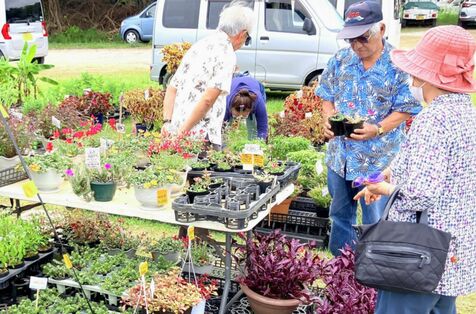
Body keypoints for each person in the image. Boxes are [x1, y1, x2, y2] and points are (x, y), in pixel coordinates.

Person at [354, 25, 476, 314]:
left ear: (424, 74)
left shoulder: (433, 119)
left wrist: (383, 189)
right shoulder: (466, 112)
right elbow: (446, 167)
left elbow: (419, 194)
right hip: (452, 250)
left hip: (417, 255)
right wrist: (389, 173)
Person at [315, 0, 421, 256]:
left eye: (362, 38)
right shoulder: (341, 59)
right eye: (350, 40)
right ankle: (340, 270)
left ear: (382, 29)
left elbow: (408, 107)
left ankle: (374, 273)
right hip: (340, 157)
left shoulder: (399, 66)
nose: (356, 46)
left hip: (379, 160)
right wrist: (328, 118)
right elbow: (325, 94)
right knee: (340, 215)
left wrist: (379, 128)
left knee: (377, 219)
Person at [161, 1, 255, 149]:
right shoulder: (226, 53)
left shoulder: (199, 45)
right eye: (247, 39)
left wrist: (167, 123)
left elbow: (172, 88)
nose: (244, 43)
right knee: (203, 172)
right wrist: (182, 134)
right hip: (200, 137)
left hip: (176, 131)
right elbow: (208, 99)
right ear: (242, 34)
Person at [224, 76, 268, 140]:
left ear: (250, 110)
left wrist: (260, 143)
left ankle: (252, 141)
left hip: (255, 86)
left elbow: (263, 127)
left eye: (243, 116)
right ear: (231, 108)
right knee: (226, 125)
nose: (240, 118)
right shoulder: (226, 103)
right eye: (236, 116)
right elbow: (221, 127)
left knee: (252, 124)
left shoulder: (258, 102)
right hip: (234, 85)